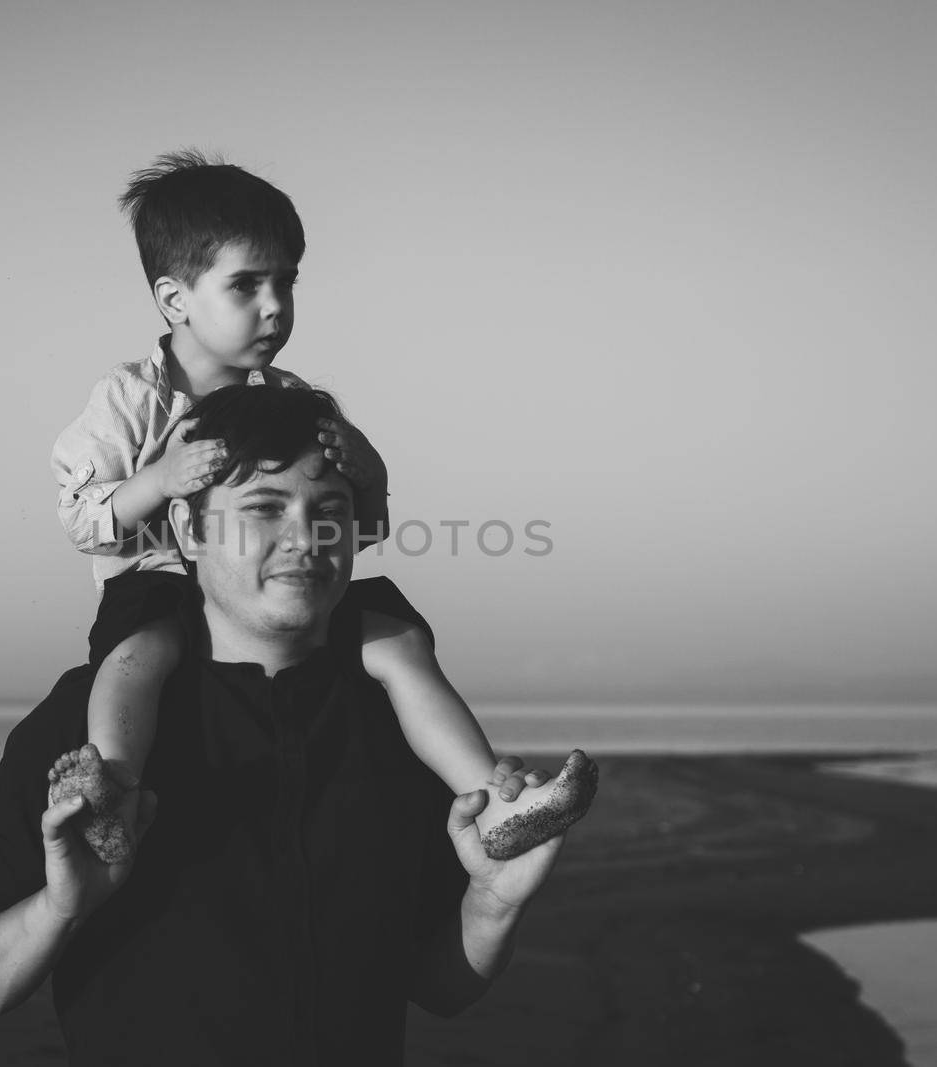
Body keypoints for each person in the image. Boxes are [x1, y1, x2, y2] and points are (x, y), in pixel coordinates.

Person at [0, 384, 595, 1064]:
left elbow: (441, 985)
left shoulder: (402, 717)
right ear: (187, 529)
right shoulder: (89, 718)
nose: (306, 538)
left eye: (329, 510)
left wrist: (492, 901)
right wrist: (60, 907)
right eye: (265, 509)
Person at [48, 149, 590, 864]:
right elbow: (80, 514)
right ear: (175, 300)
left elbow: (351, 531)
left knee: (394, 634)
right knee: (136, 654)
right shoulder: (128, 399)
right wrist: (160, 478)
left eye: (286, 282)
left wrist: (370, 472)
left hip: (270, 597)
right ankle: (113, 789)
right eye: (246, 284)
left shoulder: (290, 399)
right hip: (156, 588)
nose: (275, 306)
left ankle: (493, 800)